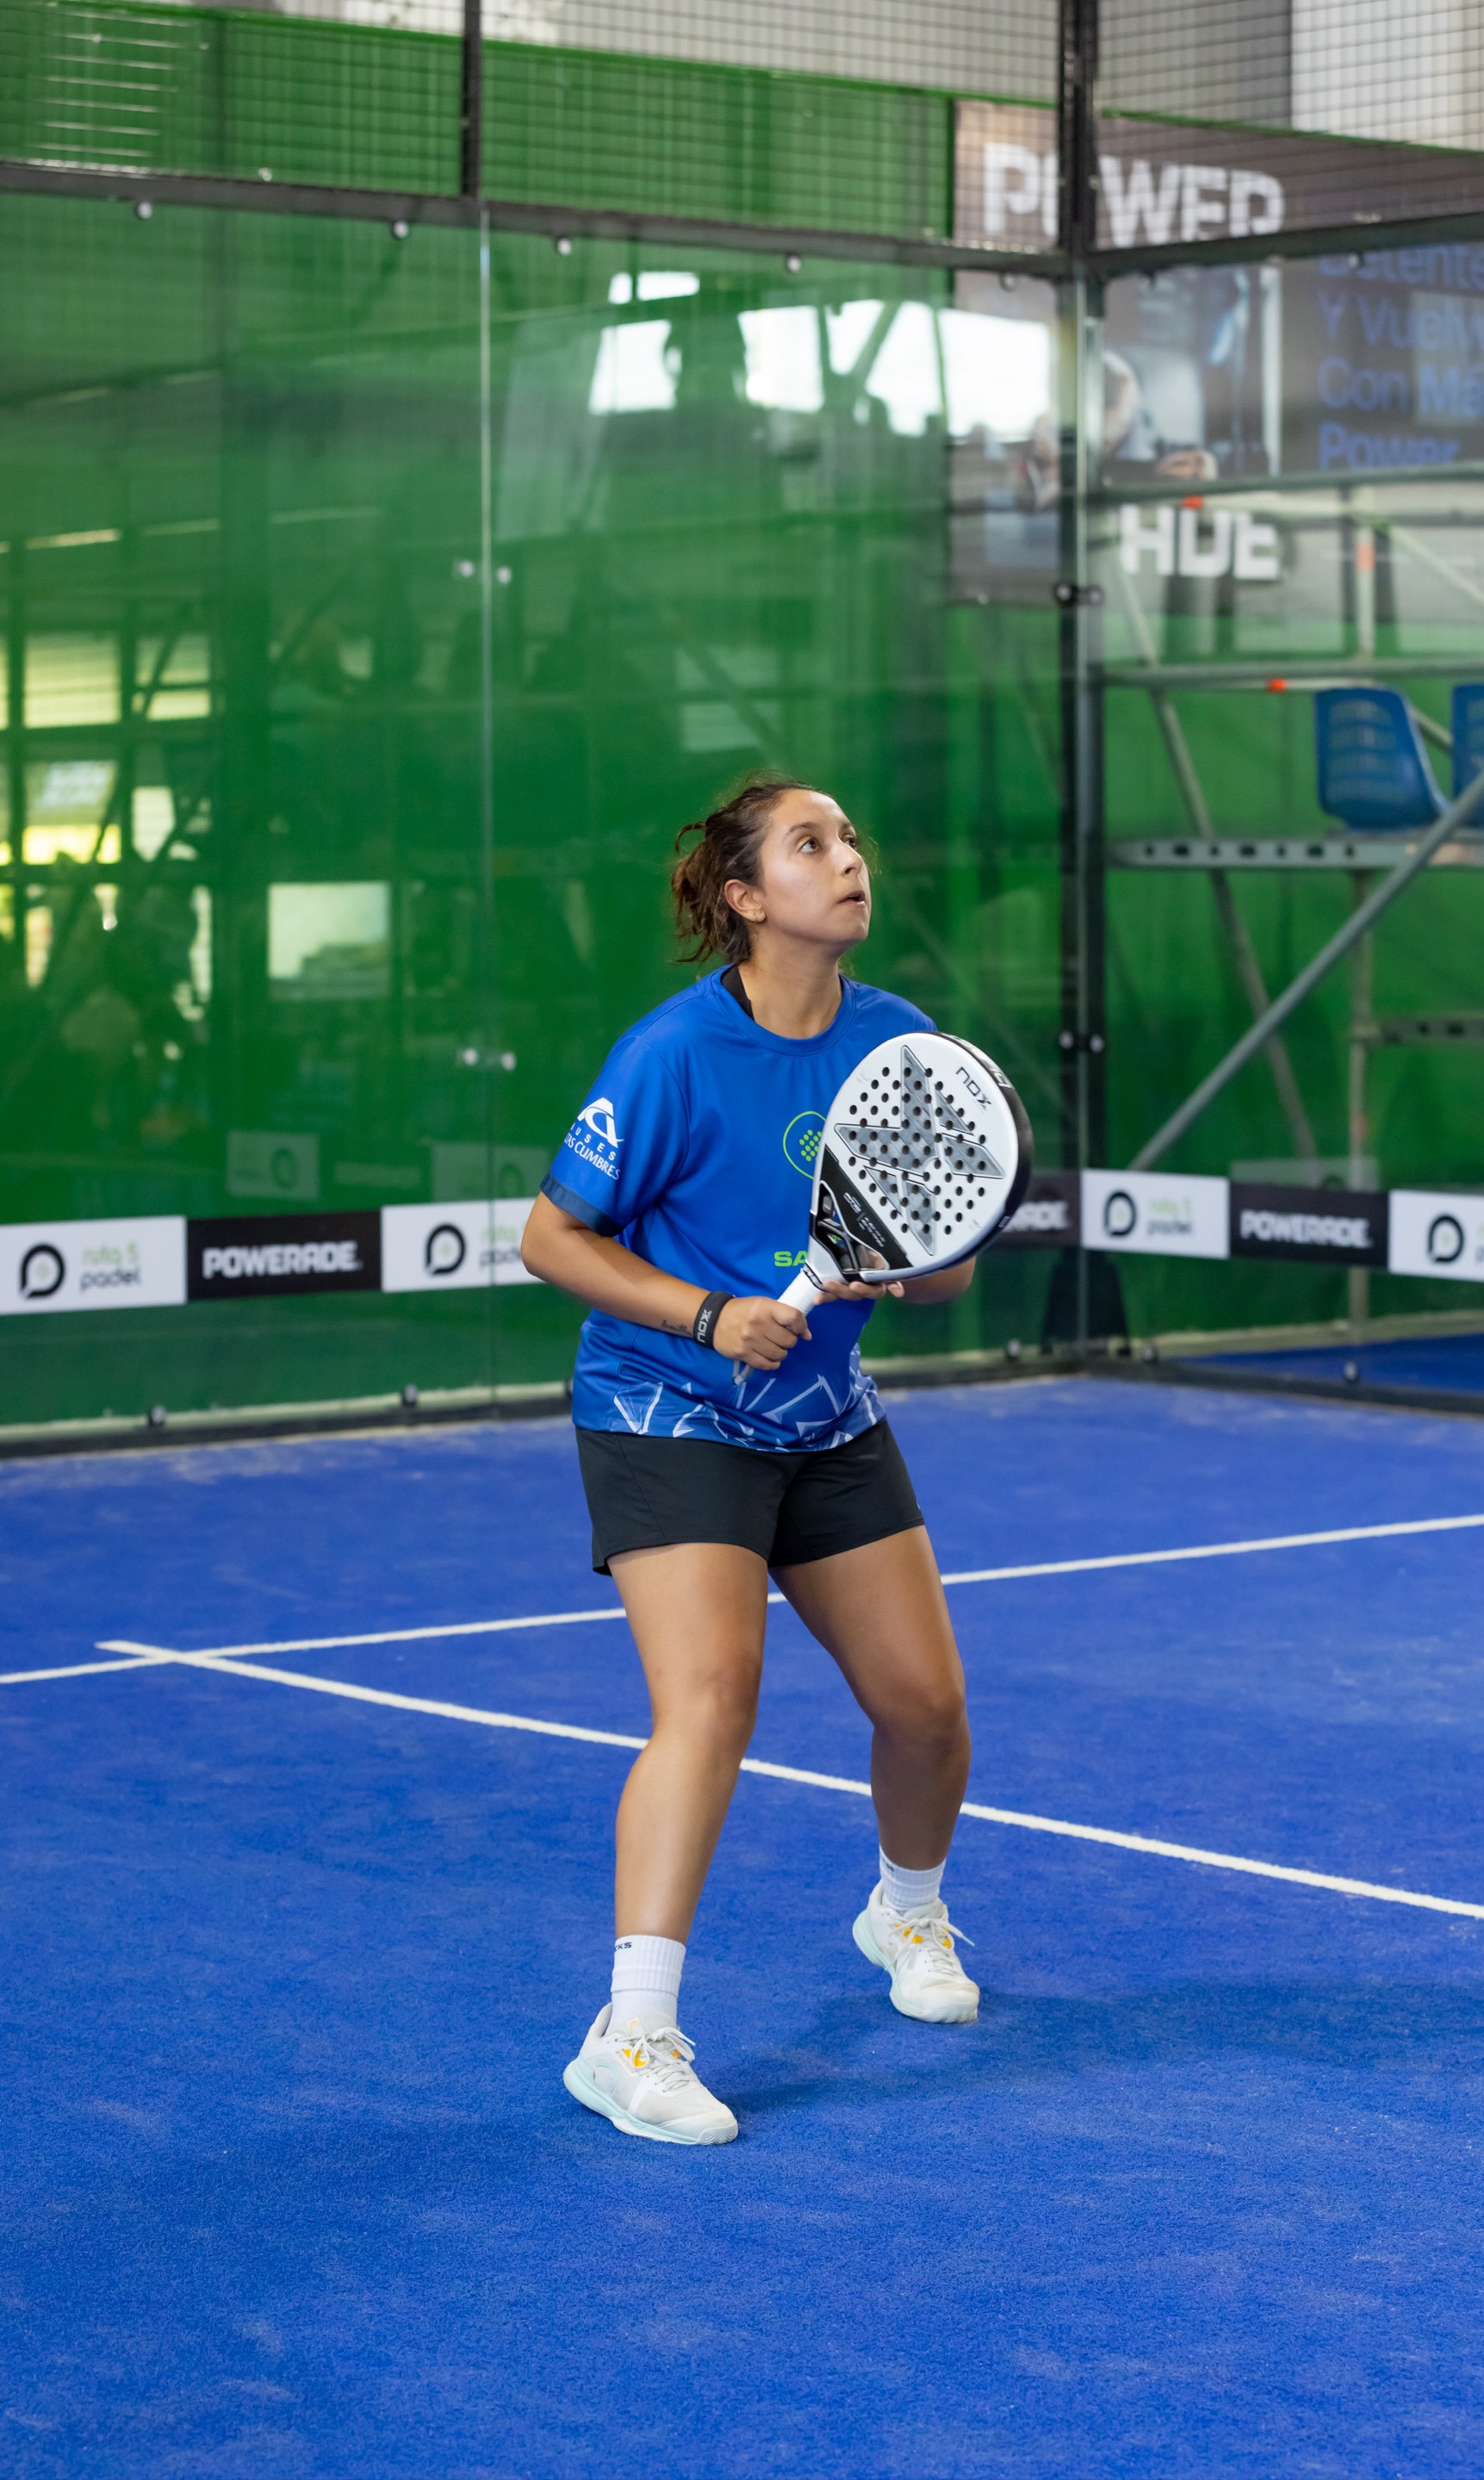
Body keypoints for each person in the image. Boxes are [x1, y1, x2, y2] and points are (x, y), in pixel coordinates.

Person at [520, 778, 980, 2147]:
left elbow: (946, 1269)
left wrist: (907, 1274)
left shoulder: (899, 1046)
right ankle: (630, 2037)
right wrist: (708, 1314)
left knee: (927, 1709)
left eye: (852, 840)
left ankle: (905, 1914)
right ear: (743, 897)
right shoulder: (671, 1055)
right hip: (667, 1409)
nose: (848, 861)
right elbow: (551, 1238)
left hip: (825, 1414)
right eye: (809, 845)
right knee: (712, 1702)